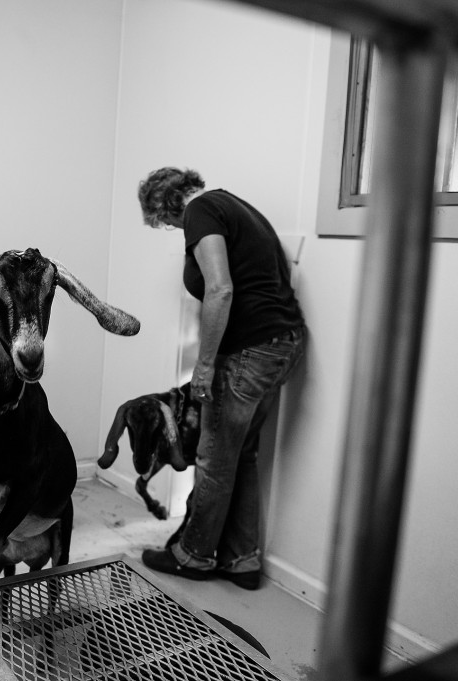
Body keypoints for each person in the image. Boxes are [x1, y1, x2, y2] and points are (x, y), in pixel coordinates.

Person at [137, 167, 306, 589]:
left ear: (167, 204)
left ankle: (193, 556)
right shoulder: (235, 206)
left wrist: (206, 364)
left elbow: (220, 289)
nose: (173, 229)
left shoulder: (201, 211)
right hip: (281, 344)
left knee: (213, 460)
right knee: (241, 454)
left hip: (249, 352)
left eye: (165, 221)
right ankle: (242, 560)